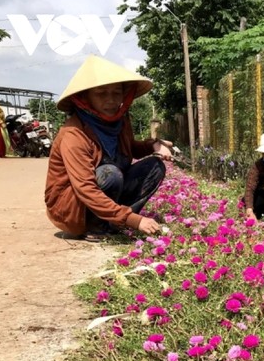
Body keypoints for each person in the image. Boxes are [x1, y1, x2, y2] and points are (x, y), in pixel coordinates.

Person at [45, 55, 174, 241]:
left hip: (104, 192)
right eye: (101, 93)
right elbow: (85, 187)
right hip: (73, 207)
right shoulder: (73, 134)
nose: (111, 100)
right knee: (110, 174)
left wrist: (154, 144)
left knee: (154, 167)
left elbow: (130, 148)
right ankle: (95, 226)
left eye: (116, 93)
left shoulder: (119, 121)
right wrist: (135, 220)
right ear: (85, 98)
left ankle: (115, 221)